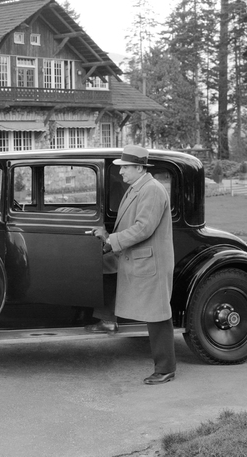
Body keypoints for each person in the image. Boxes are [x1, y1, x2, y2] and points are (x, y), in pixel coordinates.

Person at [86, 144, 176, 385]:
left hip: (151, 262)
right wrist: (108, 240)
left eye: (125, 168)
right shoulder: (138, 188)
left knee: (158, 315)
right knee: (155, 314)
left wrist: (111, 239)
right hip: (142, 260)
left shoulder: (152, 190)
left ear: (138, 167)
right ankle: (163, 366)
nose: (121, 172)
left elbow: (143, 228)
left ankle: (166, 369)